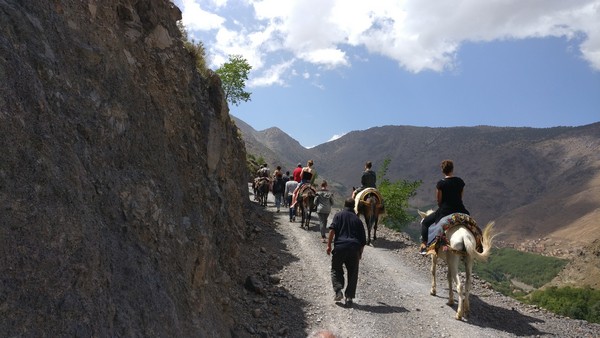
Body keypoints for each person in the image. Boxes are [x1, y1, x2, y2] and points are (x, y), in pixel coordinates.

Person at [420, 159, 470, 254]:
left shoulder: (441, 183)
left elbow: (439, 200)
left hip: (445, 211)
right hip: (461, 210)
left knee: (425, 223)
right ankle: (480, 244)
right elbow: (460, 197)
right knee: (473, 225)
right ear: (452, 169)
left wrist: (442, 206)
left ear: (443, 170)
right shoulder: (460, 181)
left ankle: (424, 245)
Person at [326, 197, 367, 307]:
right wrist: (360, 253)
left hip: (339, 247)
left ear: (344, 205)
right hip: (354, 249)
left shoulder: (338, 215)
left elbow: (332, 230)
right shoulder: (357, 220)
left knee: (336, 269)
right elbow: (363, 240)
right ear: (354, 206)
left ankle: (338, 291)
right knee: (353, 273)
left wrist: (329, 245)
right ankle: (349, 297)